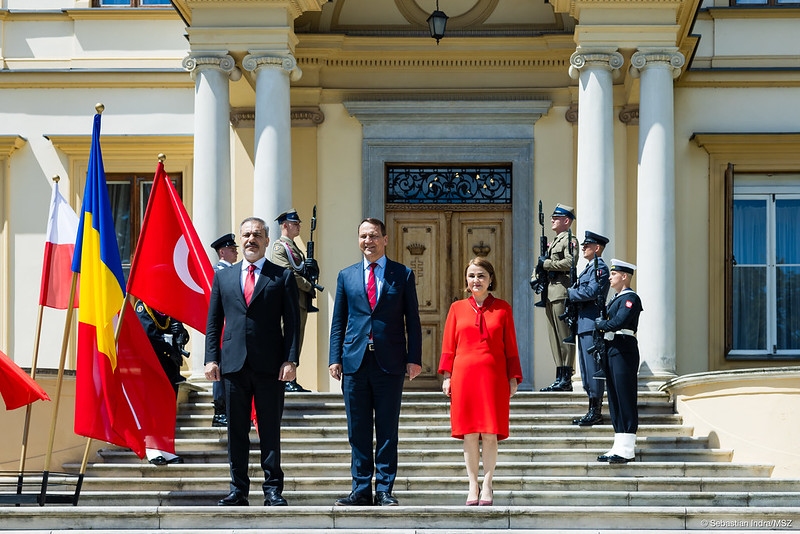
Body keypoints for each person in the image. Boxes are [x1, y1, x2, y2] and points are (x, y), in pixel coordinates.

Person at [204, 217, 301, 507]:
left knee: (269, 430)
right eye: (246, 235)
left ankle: (273, 490)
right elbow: (213, 322)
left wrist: (290, 360)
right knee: (236, 432)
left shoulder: (281, 276)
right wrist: (211, 359)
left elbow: (292, 324)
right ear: (240, 239)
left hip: (270, 366)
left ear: (266, 241)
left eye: (257, 235)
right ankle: (238, 490)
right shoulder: (224, 277)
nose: (251, 240)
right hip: (233, 366)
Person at [328, 218, 422, 507]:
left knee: (387, 430)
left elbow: (413, 320)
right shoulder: (346, 276)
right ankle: (360, 489)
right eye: (363, 236)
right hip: (354, 363)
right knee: (357, 430)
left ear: (385, 239)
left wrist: (414, 359)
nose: (368, 241)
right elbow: (339, 321)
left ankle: (384, 489)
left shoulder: (402, 274)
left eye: (373, 236)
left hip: (389, 363)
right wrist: (334, 358)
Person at [438, 258, 522, 507]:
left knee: (490, 433)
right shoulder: (456, 308)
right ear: (467, 279)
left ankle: (488, 483)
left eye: (481, 275)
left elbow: (511, 346)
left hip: (494, 377)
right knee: (470, 434)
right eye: (472, 275)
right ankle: (472, 484)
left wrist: (513, 377)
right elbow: (448, 344)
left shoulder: (503, 308)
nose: (476, 280)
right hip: (464, 377)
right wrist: (447, 376)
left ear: (490, 279)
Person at [595, 259, 643, 464]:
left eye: (614, 274)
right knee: (614, 399)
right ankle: (619, 445)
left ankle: (628, 448)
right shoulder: (615, 299)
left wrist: (601, 324)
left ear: (624, 276)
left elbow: (619, 321)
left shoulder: (631, 298)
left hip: (624, 348)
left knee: (625, 397)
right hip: (613, 348)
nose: (610, 277)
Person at [135, 300, 189, 465]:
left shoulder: (168, 309)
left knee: (167, 408)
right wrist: (170, 352)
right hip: (153, 365)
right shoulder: (142, 307)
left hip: (170, 367)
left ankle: (166, 448)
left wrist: (182, 333)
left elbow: (180, 333)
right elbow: (149, 334)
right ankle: (151, 449)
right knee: (153, 408)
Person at [532, 203, 578, 392]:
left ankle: (567, 376)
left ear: (566, 221)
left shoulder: (569, 239)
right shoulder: (554, 241)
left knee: (564, 336)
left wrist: (547, 264)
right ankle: (559, 375)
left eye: (556, 217)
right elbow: (542, 264)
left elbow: (571, 262)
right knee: (554, 337)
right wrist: (535, 276)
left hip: (561, 292)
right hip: (550, 294)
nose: (552, 220)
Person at [566, 231, 610, 426]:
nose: (583, 247)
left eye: (587, 245)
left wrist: (571, 293)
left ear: (597, 248)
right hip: (583, 324)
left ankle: (596, 411)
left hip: (591, 323)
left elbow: (592, 291)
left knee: (593, 369)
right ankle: (592, 408)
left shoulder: (600, 268)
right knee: (585, 369)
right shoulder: (588, 268)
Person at [272, 209, 317, 393]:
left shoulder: (295, 248)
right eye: (295, 223)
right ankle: (284, 379)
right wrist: (308, 285)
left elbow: (301, 270)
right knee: (288, 339)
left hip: (299, 301)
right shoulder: (279, 247)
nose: (298, 226)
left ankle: (291, 378)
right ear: (285, 225)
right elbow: (286, 273)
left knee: (297, 340)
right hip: (289, 301)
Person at [209, 233, 239, 427]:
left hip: (234, 328)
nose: (236, 252)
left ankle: (230, 409)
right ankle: (220, 411)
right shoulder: (217, 273)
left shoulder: (235, 272)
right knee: (219, 369)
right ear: (222, 252)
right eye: (232, 249)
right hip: (223, 329)